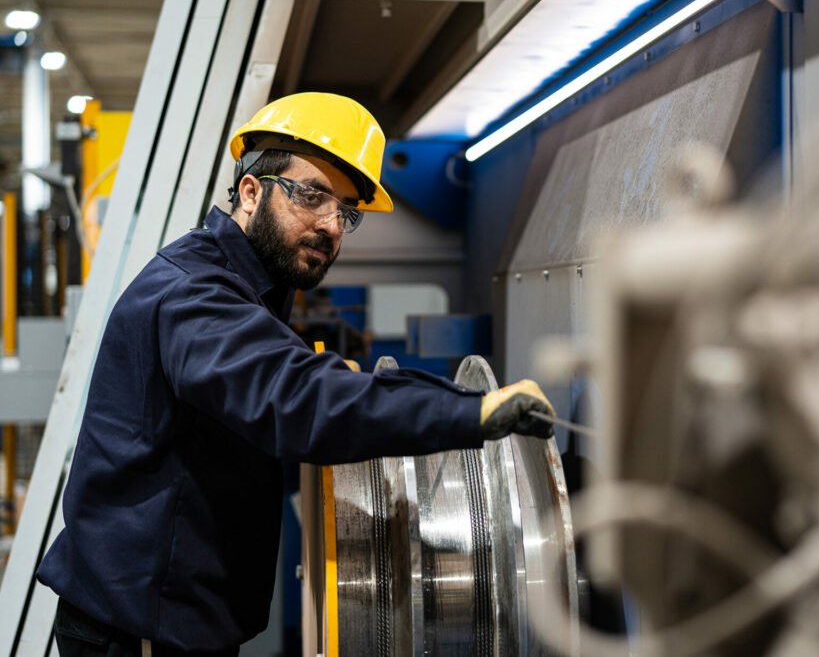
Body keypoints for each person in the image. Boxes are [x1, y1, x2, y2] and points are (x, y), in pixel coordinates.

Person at [36, 93, 555, 656]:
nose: (331, 225)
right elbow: (293, 400)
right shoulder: (196, 296)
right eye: (312, 195)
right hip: (139, 630)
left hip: (170, 616)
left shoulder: (248, 292)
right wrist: (467, 410)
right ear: (252, 192)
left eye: (346, 211)